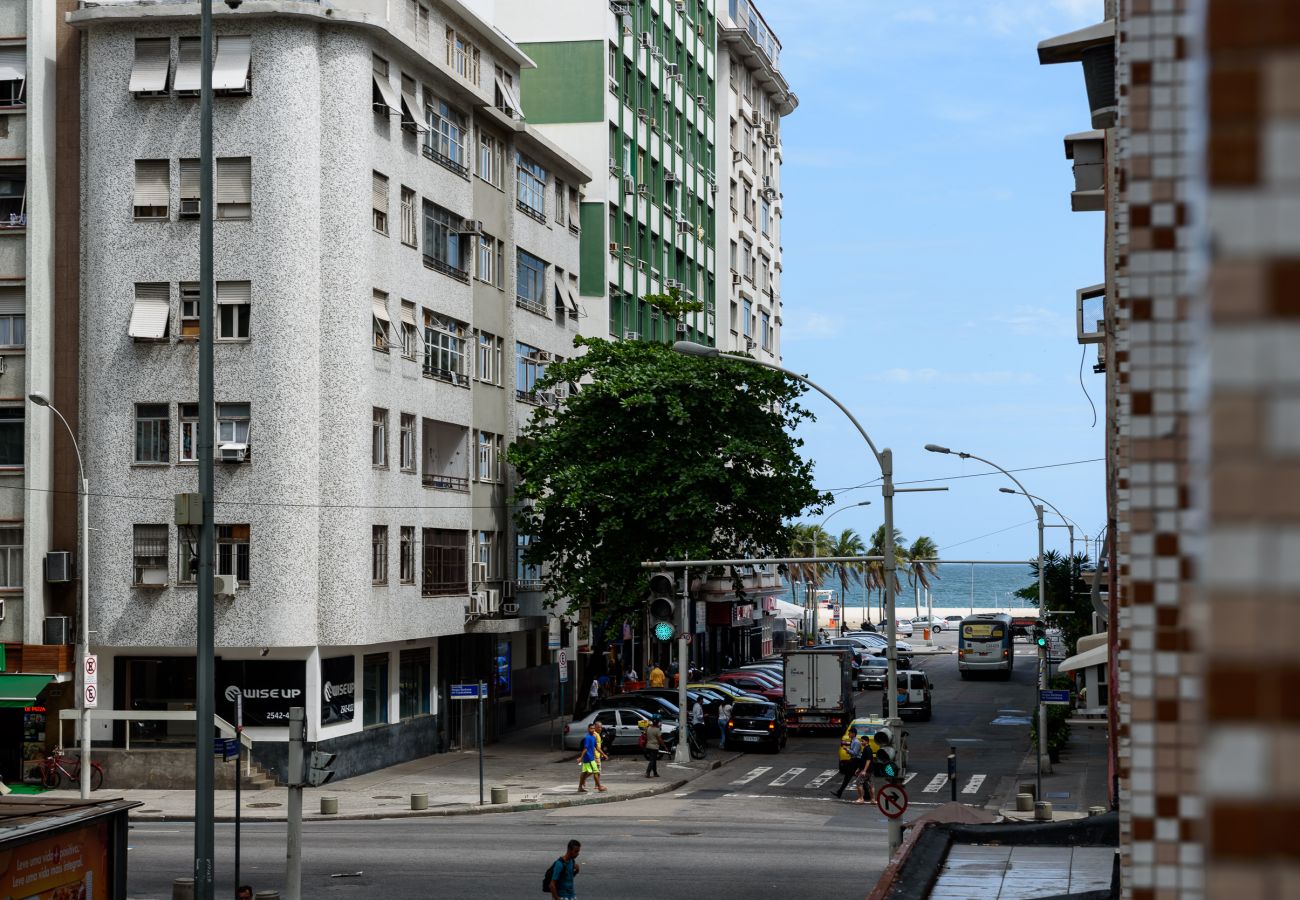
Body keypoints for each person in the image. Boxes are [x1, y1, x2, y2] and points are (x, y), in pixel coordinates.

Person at [577, 723, 607, 793]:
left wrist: (603, 754)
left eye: (593, 728)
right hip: (588, 758)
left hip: (591, 757)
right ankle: (599, 787)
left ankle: (580, 787)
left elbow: (597, 747)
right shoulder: (587, 738)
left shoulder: (593, 737)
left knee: (585, 773)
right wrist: (581, 757)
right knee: (595, 771)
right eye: (591, 728)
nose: (592, 730)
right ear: (588, 729)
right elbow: (585, 748)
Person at [835, 734, 865, 798]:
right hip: (854, 760)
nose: (849, 734)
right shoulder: (853, 741)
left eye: (850, 733)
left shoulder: (856, 742)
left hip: (856, 761)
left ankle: (839, 792)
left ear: (853, 734)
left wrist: (847, 749)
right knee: (848, 777)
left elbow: (855, 753)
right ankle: (839, 792)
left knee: (849, 777)